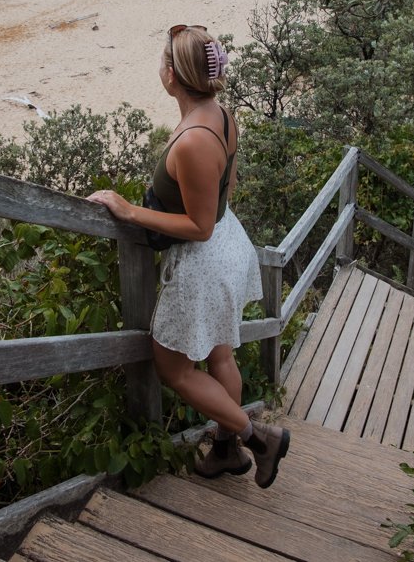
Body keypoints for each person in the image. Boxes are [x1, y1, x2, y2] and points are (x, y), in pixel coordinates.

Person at [87, 25, 290, 488]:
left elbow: (199, 227)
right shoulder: (221, 115)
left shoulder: (194, 139)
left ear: (173, 76)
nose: (159, 67)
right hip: (227, 242)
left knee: (174, 368)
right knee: (220, 356)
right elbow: (225, 189)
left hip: (205, 261)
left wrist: (129, 210)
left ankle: (259, 438)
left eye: (163, 61)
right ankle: (226, 451)